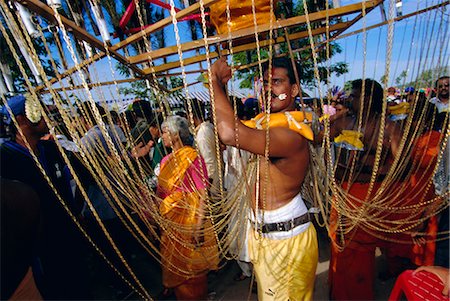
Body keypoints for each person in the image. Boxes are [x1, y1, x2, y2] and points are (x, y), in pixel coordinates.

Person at [211, 56, 318, 300]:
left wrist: (214, 80)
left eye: (277, 82)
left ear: (294, 89)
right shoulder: (266, 127)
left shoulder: (289, 135)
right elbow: (228, 130)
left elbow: (228, 133)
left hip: (285, 242)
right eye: (265, 83)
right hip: (267, 236)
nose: (268, 88)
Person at [0, 94, 91, 299]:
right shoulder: (6, 160)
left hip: (69, 238)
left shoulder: (51, 149)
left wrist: (76, 211)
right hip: (38, 252)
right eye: (38, 113)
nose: (47, 118)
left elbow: (78, 176)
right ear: (21, 120)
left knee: (80, 288)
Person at [328, 79, 411, 300]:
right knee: (339, 243)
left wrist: (372, 166)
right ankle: (338, 292)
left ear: (371, 99)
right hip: (343, 192)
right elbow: (318, 139)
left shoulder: (389, 128)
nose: (350, 99)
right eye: (351, 96)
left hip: (368, 194)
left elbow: (403, 164)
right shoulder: (343, 122)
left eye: (355, 96)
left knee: (359, 253)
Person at [156, 115, 219, 300]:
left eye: (165, 132)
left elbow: (202, 195)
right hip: (171, 223)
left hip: (190, 222)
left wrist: (199, 226)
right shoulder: (166, 161)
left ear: (176, 135)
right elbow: (161, 194)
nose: (163, 136)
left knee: (193, 273)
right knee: (177, 271)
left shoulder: (193, 158)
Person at [191, 98, 223, 199]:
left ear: (191, 116)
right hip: (215, 179)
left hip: (212, 183)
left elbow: (209, 162)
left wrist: (207, 187)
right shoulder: (207, 128)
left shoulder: (202, 133)